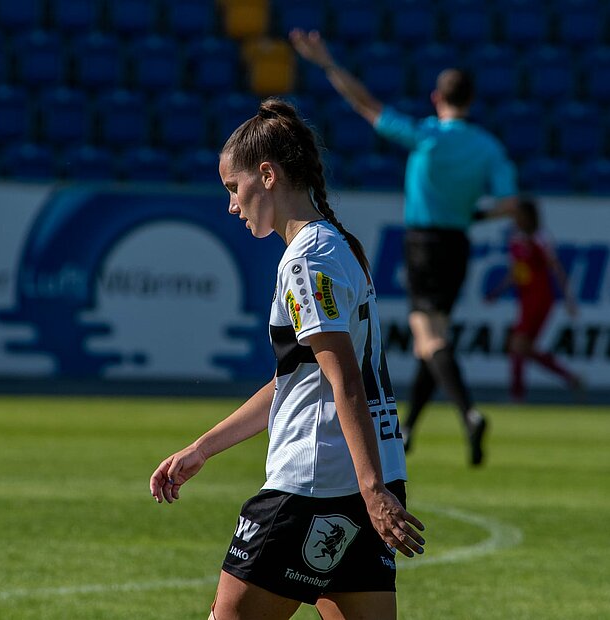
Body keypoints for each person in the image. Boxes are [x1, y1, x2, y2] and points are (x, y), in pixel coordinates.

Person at [150, 98, 425, 620]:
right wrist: (204, 448)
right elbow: (296, 381)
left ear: (267, 175)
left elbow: (345, 380)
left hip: (315, 484)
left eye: (234, 187)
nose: (232, 205)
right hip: (366, 476)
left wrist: (371, 490)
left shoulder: (305, 261)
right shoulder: (339, 245)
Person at [290, 30, 519, 466]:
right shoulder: (488, 146)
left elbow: (367, 105)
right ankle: (410, 426)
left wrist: (328, 63)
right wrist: (475, 215)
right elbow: (510, 203)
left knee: (429, 338)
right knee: (432, 339)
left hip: (423, 242)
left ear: (437, 98)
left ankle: (469, 413)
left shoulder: (427, 135)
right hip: (457, 244)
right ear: (471, 100)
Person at [485, 196, 581, 401]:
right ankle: (570, 378)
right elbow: (516, 272)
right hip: (525, 299)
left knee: (518, 345)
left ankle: (517, 395)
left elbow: (556, 268)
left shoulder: (540, 237)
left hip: (540, 298)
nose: (515, 219)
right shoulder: (515, 238)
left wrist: (569, 300)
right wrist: (496, 292)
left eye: (519, 215)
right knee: (522, 347)